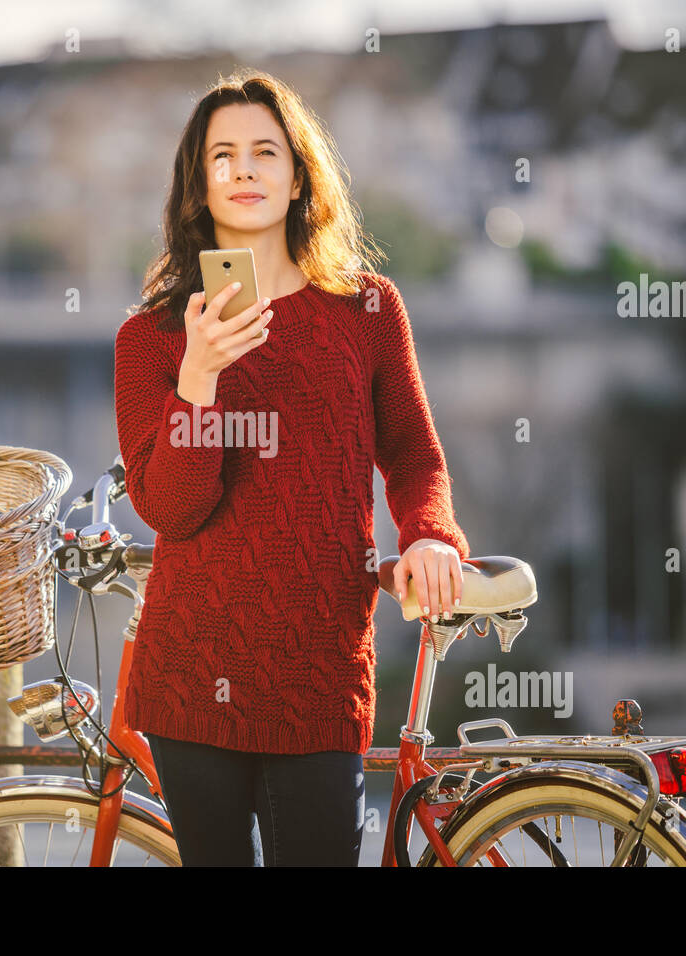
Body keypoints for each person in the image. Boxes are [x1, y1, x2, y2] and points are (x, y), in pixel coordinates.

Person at [112, 68, 470, 866]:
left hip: (318, 670)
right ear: (198, 187)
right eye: (223, 157)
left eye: (266, 152)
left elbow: (412, 453)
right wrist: (198, 379)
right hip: (193, 676)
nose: (244, 170)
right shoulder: (151, 340)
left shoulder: (367, 310)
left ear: (299, 174)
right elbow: (172, 509)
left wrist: (430, 535)